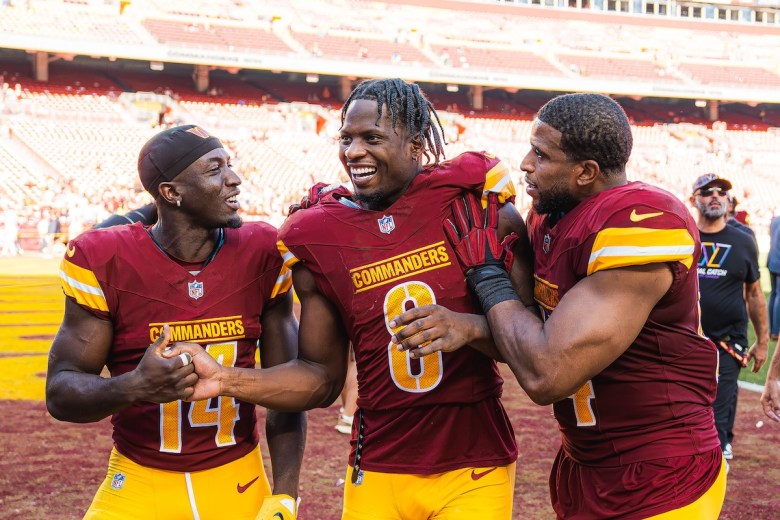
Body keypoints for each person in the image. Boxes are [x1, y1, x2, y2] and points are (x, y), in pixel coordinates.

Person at [172, 78, 535, 519]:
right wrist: (228, 380)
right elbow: (321, 379)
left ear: (416, 143)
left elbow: (535, 347)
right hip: (378, 462)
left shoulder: (472, 205)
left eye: (373, 138)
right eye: (346, 138)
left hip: (474, 461)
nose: (353, 152)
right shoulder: (319, 233)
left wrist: (469, 327)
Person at [391, 93, 726, 518]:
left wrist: (487, 275)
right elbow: (529, 337)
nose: (526, 163)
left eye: (542, 154)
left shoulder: (637, 220)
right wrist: (472, 328)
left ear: (586, 172)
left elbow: (547, 372)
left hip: (660, 468)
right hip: (585, 464)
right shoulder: (550, 218)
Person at [45, 125, 305, 520]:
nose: (234, 177)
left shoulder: (261, 252)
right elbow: (60, 391)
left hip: (238, 477)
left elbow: (290, 386)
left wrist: (285, 494)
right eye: (215, 168)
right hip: (140, 480)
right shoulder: (106, 258)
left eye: (230, 164)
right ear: (171, 192)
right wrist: (134, 385)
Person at [690, 173, 768, 462]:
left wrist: (761, 341)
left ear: (728, 200)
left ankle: (719, 458)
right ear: (693, 199)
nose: (715, 195)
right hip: (686, 338)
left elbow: (755, 294)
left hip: (727, 340)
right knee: (685, 404)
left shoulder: (743, 241)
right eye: (707, 191)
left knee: (720, 405)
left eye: (721, 192)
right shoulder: (682, 237)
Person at [768, 214, 780, 341]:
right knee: (779, 295)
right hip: (778, 262)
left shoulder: (775, 220)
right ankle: (776, 331)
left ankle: (772, 330)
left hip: (772, 260)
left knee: (774, 294)